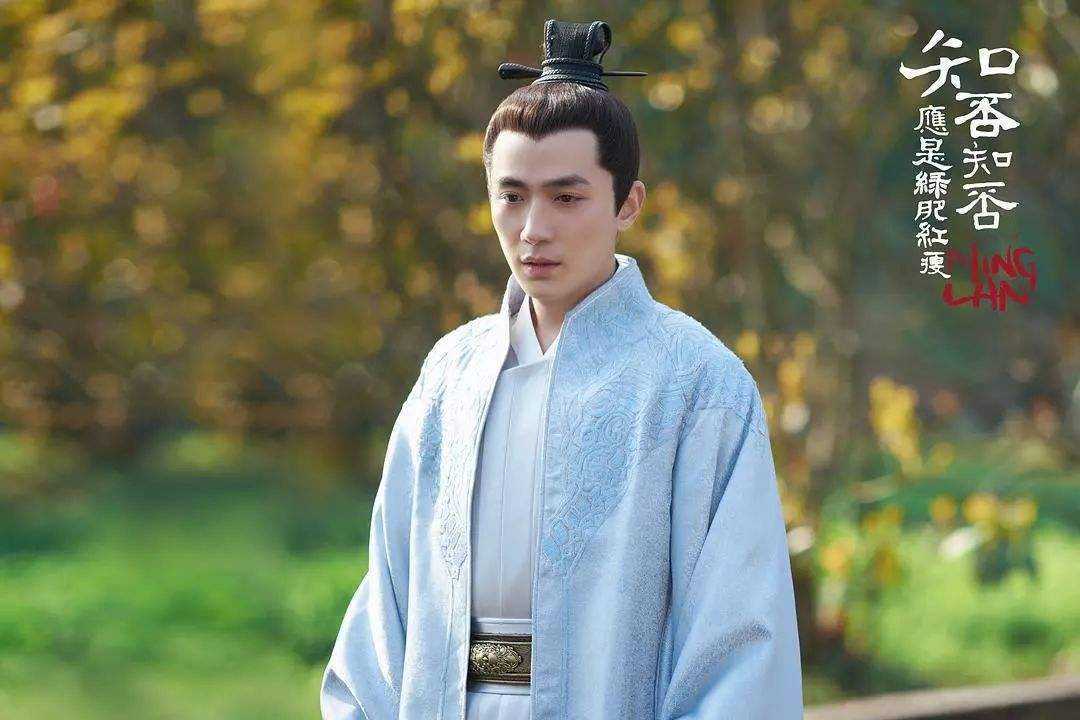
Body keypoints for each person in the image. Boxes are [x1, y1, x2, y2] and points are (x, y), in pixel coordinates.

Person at [321, 18, 803, 720]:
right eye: (512, 195)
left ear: (627, 203)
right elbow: (386, 597)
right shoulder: (450, 374)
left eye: (566, 197)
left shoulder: (696, 383)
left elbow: (738, 636)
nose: (533, 230)